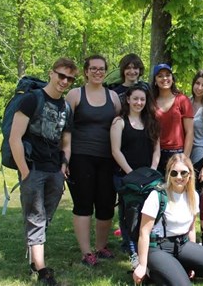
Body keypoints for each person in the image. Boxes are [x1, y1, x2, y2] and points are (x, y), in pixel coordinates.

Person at [9, 58, 77, 285]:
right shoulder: (31, 100)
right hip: (33, 168)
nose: (64, 81)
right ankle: (42, 269)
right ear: (51, 73)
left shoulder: (66, 107)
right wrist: (25, 171)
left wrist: (64, 165)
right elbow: (15, 138)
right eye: (61, 75)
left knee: (44, 217)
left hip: (55, 170)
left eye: (70, 78)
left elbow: (66, 141)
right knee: (36, 217)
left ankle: (33, 254)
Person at [132, 154, 203, 286]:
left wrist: (192, 261)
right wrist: (141, 265)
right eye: (174, 173)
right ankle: (151, 271)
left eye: (183, 173)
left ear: (190, 174)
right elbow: (144, 233)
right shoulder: (157, 195)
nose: (179, 177)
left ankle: (172, 269)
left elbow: (192, 228)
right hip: (158, 247)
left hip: (182, 244)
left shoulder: (193, 195)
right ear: (168, 174)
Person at [66, 55, 122, 266]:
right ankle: (86, 251)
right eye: (93, 69)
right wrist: (65, 159)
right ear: (86, 71)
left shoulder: (113, 97)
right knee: (83, 204)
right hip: (81, 158)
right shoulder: (74, 95)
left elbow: (118, 125)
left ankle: (100, 247)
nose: (98, 72)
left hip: (107, 158)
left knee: (106, 205)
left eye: (101, 69)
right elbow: (65, 130)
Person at [110, 83, 161, 260]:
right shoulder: (119, 122)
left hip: (148, 177)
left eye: (142, 99)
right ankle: (130, 247)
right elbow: (116, 151)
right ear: (128, 100)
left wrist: (152, 172)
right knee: (128, 212)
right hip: (125, 176)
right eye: (135, 99)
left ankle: (145, 245)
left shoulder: (151, 122)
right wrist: (131, 174)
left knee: (146, 212)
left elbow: (156, 150)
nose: (139, 102)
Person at [151, 64, 194, 175]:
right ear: (155, 80)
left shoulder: (182, 99)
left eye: (168, 75)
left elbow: (190, 132)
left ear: (172, 79)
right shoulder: (150, 102)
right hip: (155, 153)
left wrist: (185, 158)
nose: (164, 78)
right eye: (160, 76)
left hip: (177, 153)